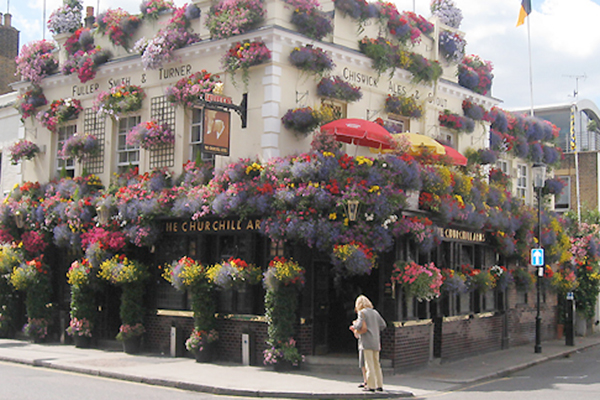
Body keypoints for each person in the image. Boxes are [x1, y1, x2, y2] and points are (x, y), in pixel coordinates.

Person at [349, 295, 386, 392]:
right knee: (376, 364)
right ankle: (379, 384)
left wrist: (354, 324)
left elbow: (359, 325)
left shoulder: (362, 313)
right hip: (376, 341)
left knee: (368, 364)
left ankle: (371, 386)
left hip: (366, 342)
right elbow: (383, 325)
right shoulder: (375, 312)